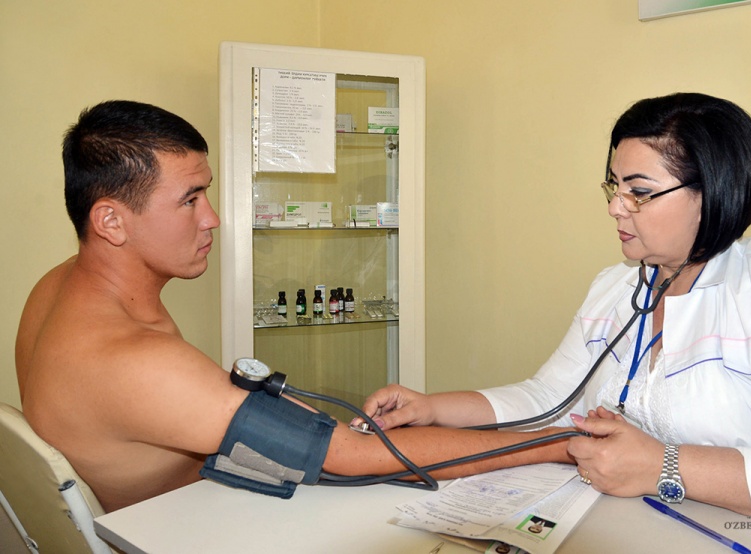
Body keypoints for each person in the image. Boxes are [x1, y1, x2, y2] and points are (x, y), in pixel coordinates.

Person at [15, 100, 575, 513]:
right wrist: (557, 444)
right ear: (110, 221)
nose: (212, 218)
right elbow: (354, 456)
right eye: (190, 200)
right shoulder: (136, 361)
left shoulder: (55, 288)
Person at [358, 92, 751, 518]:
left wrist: (666, 466)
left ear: (712, 192)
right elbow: (548, 397)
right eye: (614, 186)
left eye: (638, 191)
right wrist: (433, 408)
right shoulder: (618, 287)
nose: (616, 207)